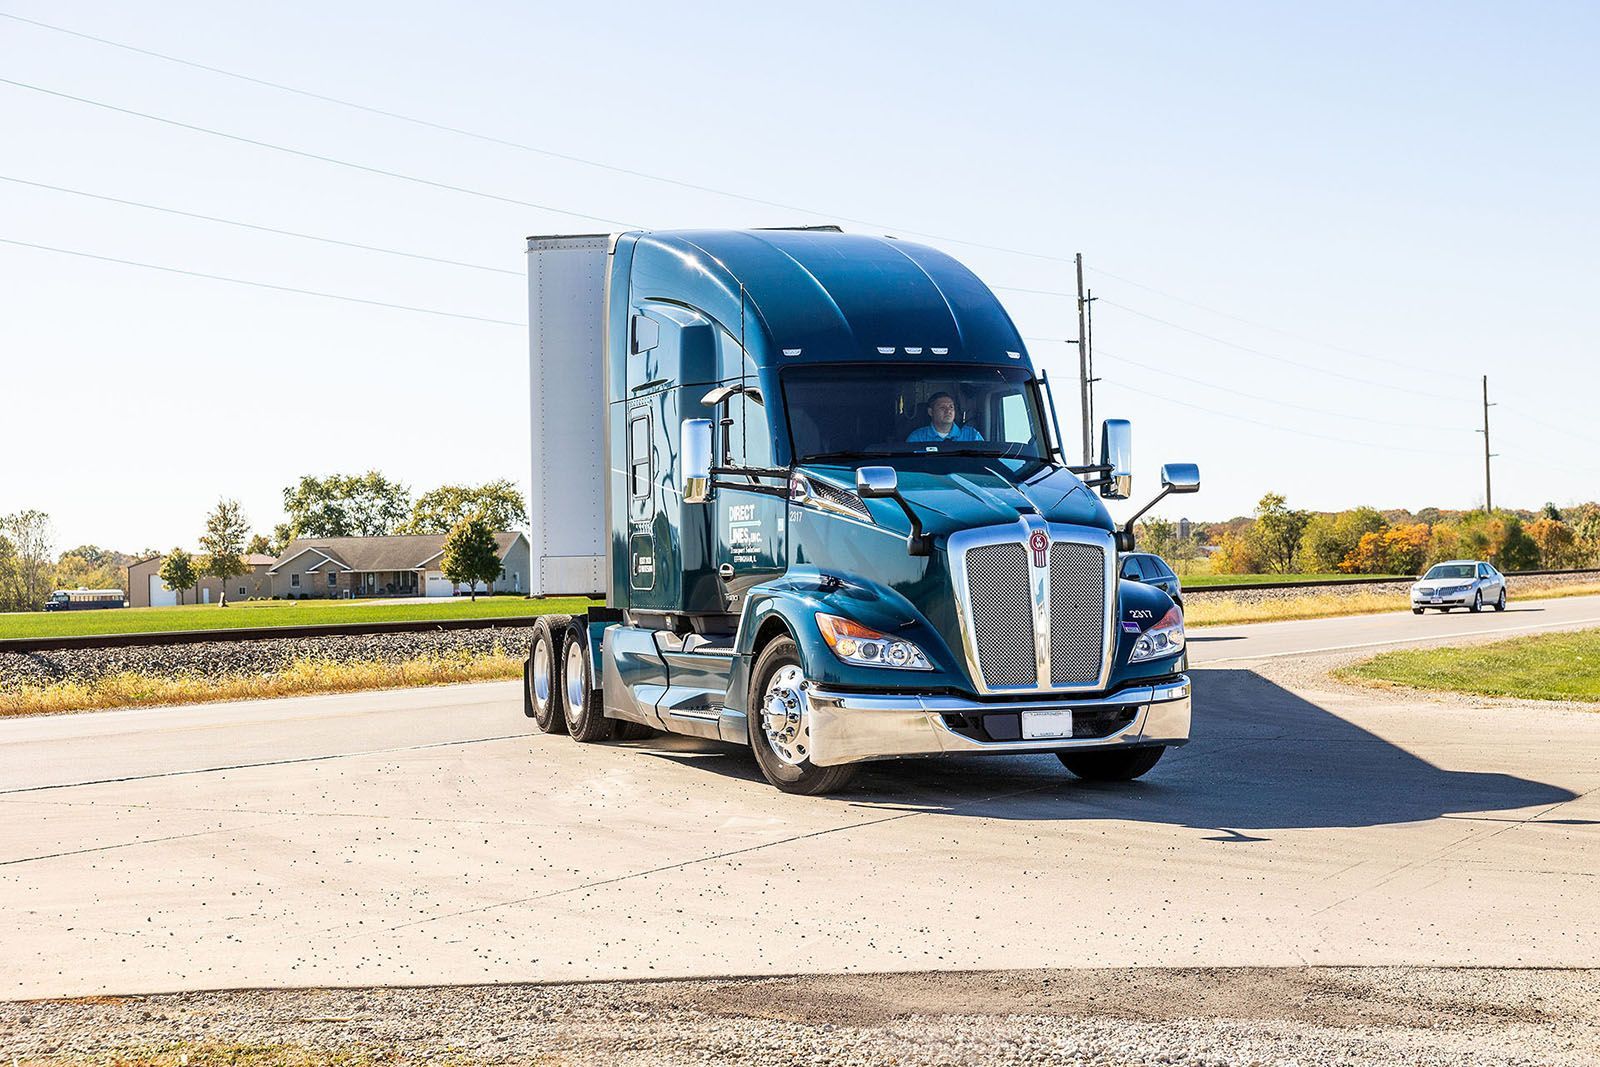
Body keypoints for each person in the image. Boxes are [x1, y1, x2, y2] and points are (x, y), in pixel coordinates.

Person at [906, 391, 984, 443]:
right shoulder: (917, 438)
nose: (948, 411)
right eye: (942, 408)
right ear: (930, 412)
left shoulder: (972, 436)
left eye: (951, 407)